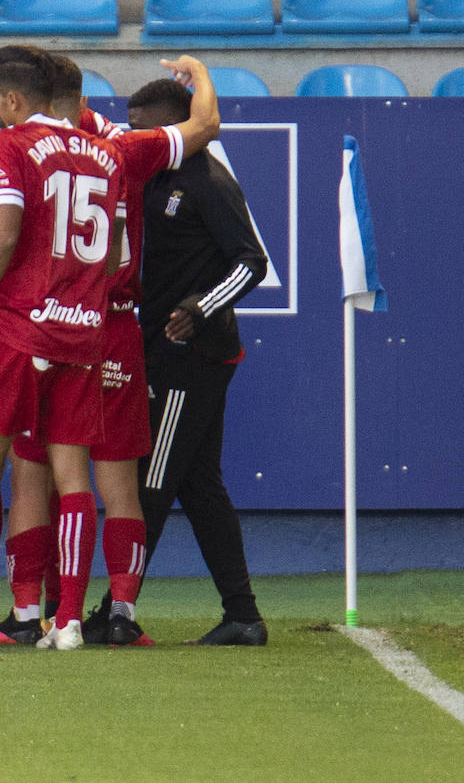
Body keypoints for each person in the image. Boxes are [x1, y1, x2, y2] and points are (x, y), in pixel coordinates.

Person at [0, 48, 217, 650]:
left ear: (16, 100)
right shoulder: (111, 151)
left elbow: (7, 230)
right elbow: (127, 225)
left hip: (23, 324)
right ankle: (68, 620)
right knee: (77, 476)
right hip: (90, 327)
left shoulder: (13, 146)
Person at [124, 76, 270, 646]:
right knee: (200, 485)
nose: (135, 138)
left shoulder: (208, 182)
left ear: (173, 128)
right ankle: (242, 616)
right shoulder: (153, 174)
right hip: (165, 351)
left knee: (150, 482)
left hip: (190, 356)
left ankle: (116, 608)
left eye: (144, 128)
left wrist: (198, 306)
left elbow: (250, 261)